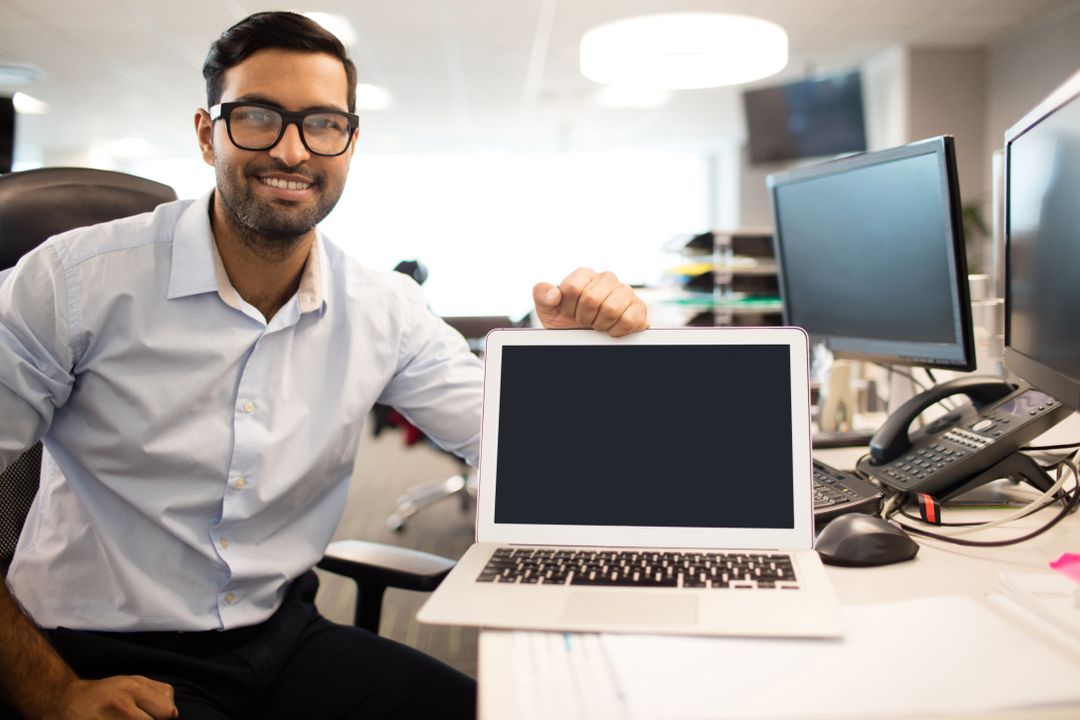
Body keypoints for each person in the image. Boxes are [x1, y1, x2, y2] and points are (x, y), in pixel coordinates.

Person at [0, 11, 648, 720]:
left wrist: (563, 367)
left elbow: (529, 454)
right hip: (95, 652)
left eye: (323, 124)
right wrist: (49, 688)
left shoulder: (382, 307)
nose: (292, 150)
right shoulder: (73, 284)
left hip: (285, 637)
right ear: (205, 131)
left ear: (350, 141)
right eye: (256, 117)